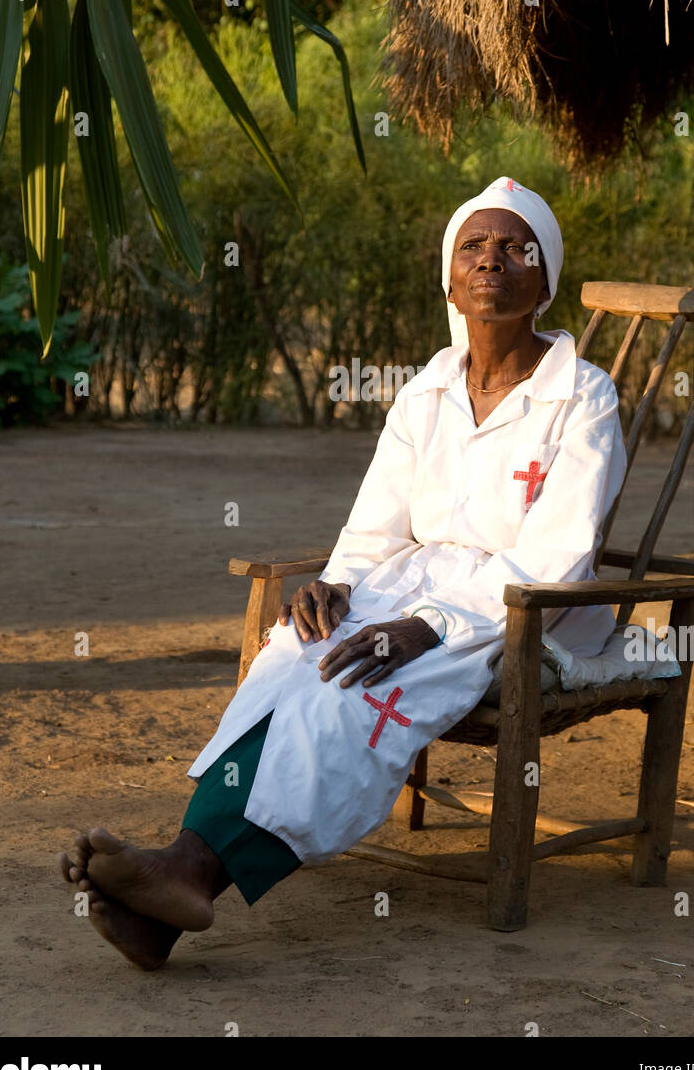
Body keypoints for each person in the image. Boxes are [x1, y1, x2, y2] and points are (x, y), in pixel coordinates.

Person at [60, 176, 632, 970]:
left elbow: (556, 554)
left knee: (351, 694)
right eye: (474, 246)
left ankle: (186, 874)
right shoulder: (426, 393)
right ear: (449, 277)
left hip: (520, 613)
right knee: (290, 657)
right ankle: (175, 889)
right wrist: (337, 584)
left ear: (544, 279)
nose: (492, 260)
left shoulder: (584, 397)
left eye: (515, 247)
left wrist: (427, 626)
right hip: (407, 585)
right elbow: (374, 528)